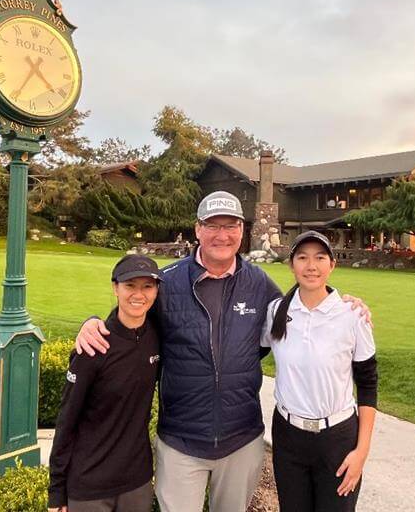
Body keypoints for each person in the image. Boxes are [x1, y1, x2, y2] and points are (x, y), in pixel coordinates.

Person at [74, 191, 371, 512]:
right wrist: (94, 322)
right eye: (212, 225)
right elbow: (130, 318)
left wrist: (344, 303)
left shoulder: (259, 284)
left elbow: (304, 305)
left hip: (240, 441)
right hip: (180, 442)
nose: (222, 235)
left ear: (241, 232)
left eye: (230, 226)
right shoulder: (167, 282)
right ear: (197, 229)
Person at [263, 231, 377, 512]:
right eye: (302, 258)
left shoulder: (352, 315)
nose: (310, 266)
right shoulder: (276, 311)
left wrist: (361, 452)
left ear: (332, 264)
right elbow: (250, 349)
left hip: (337, 438)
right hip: (288, 436)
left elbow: (368, 385)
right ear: (292, 265)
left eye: (319, 258)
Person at [49, 255, 163, 512]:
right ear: (115, 288)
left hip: (137, 480)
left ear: (156, 291)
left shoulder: (157, 336)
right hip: (90, 485)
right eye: (130, 285)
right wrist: (57, 491)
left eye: (147, 286)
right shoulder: (92, 346)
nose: (139, 294)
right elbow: (67, 419)